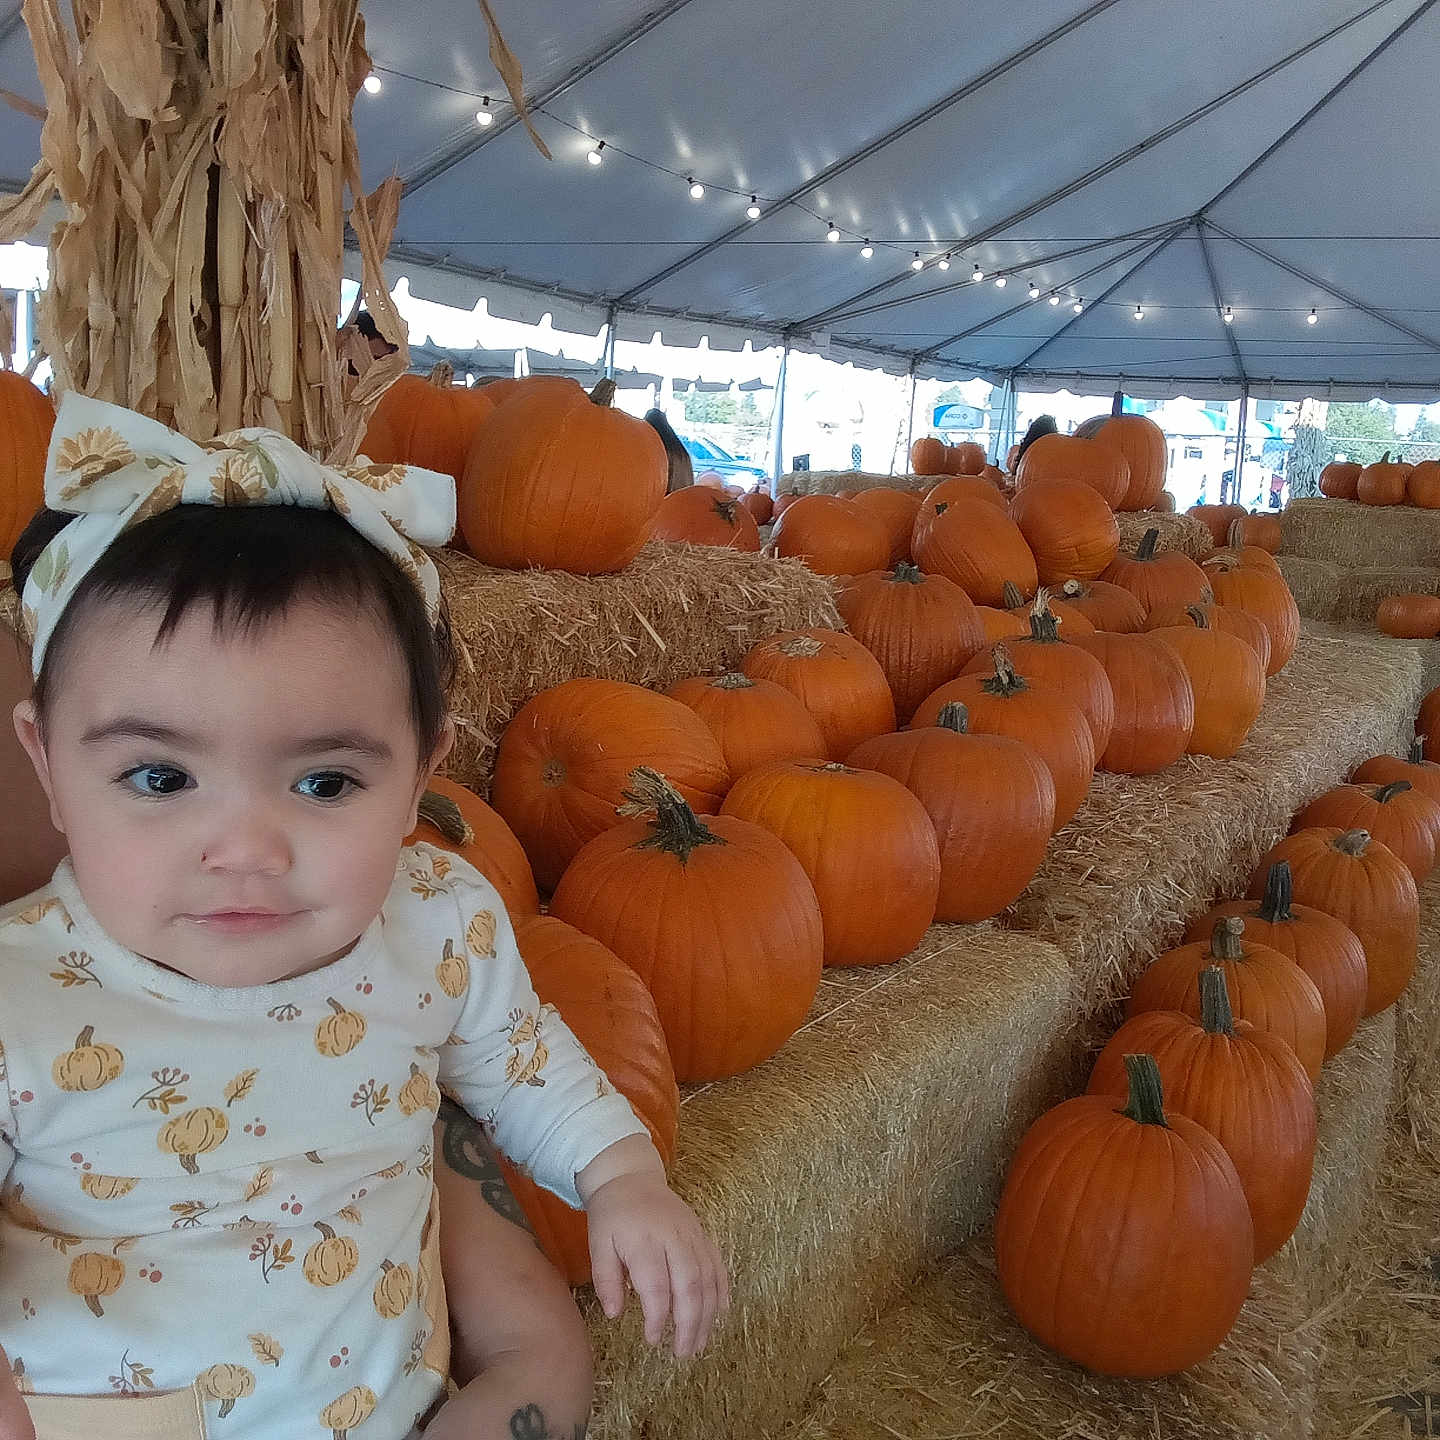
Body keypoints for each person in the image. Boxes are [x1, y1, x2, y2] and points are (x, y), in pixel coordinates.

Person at [0, 394, 727, 1440]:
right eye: (159, 777)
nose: (245, 849)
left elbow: (526, 1065)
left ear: (423, 771)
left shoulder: (435, 924)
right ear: (50, 769)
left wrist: (623, 1176)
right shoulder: (19, 995)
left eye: (327, 783)